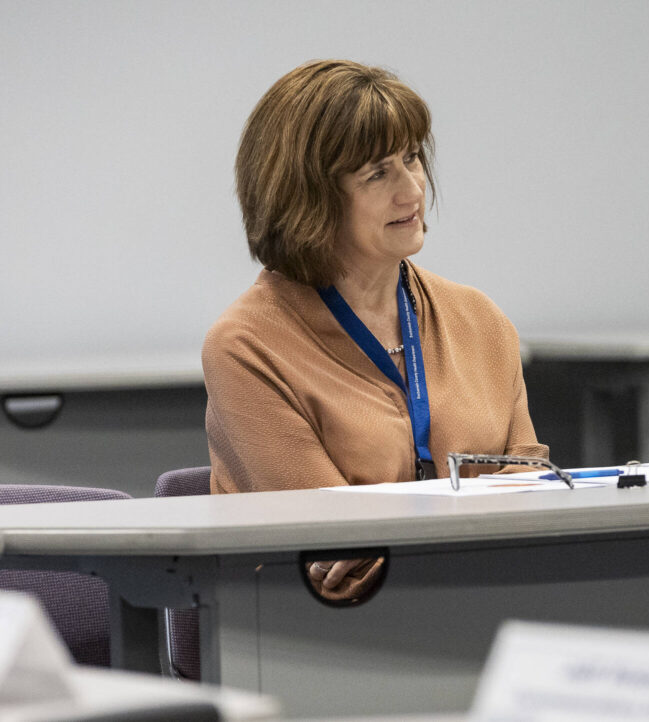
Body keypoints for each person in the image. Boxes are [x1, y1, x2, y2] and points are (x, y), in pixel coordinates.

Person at [202, 60, 548, 600]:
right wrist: (472, 522)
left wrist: (396, 530)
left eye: (411, 158)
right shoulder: (246, 347)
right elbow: (335, 551)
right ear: (307, 198)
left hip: (489, 598)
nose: (412, 191)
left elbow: (535, 494)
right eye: (377, 174)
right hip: (317, 629)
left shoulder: (480, 320)